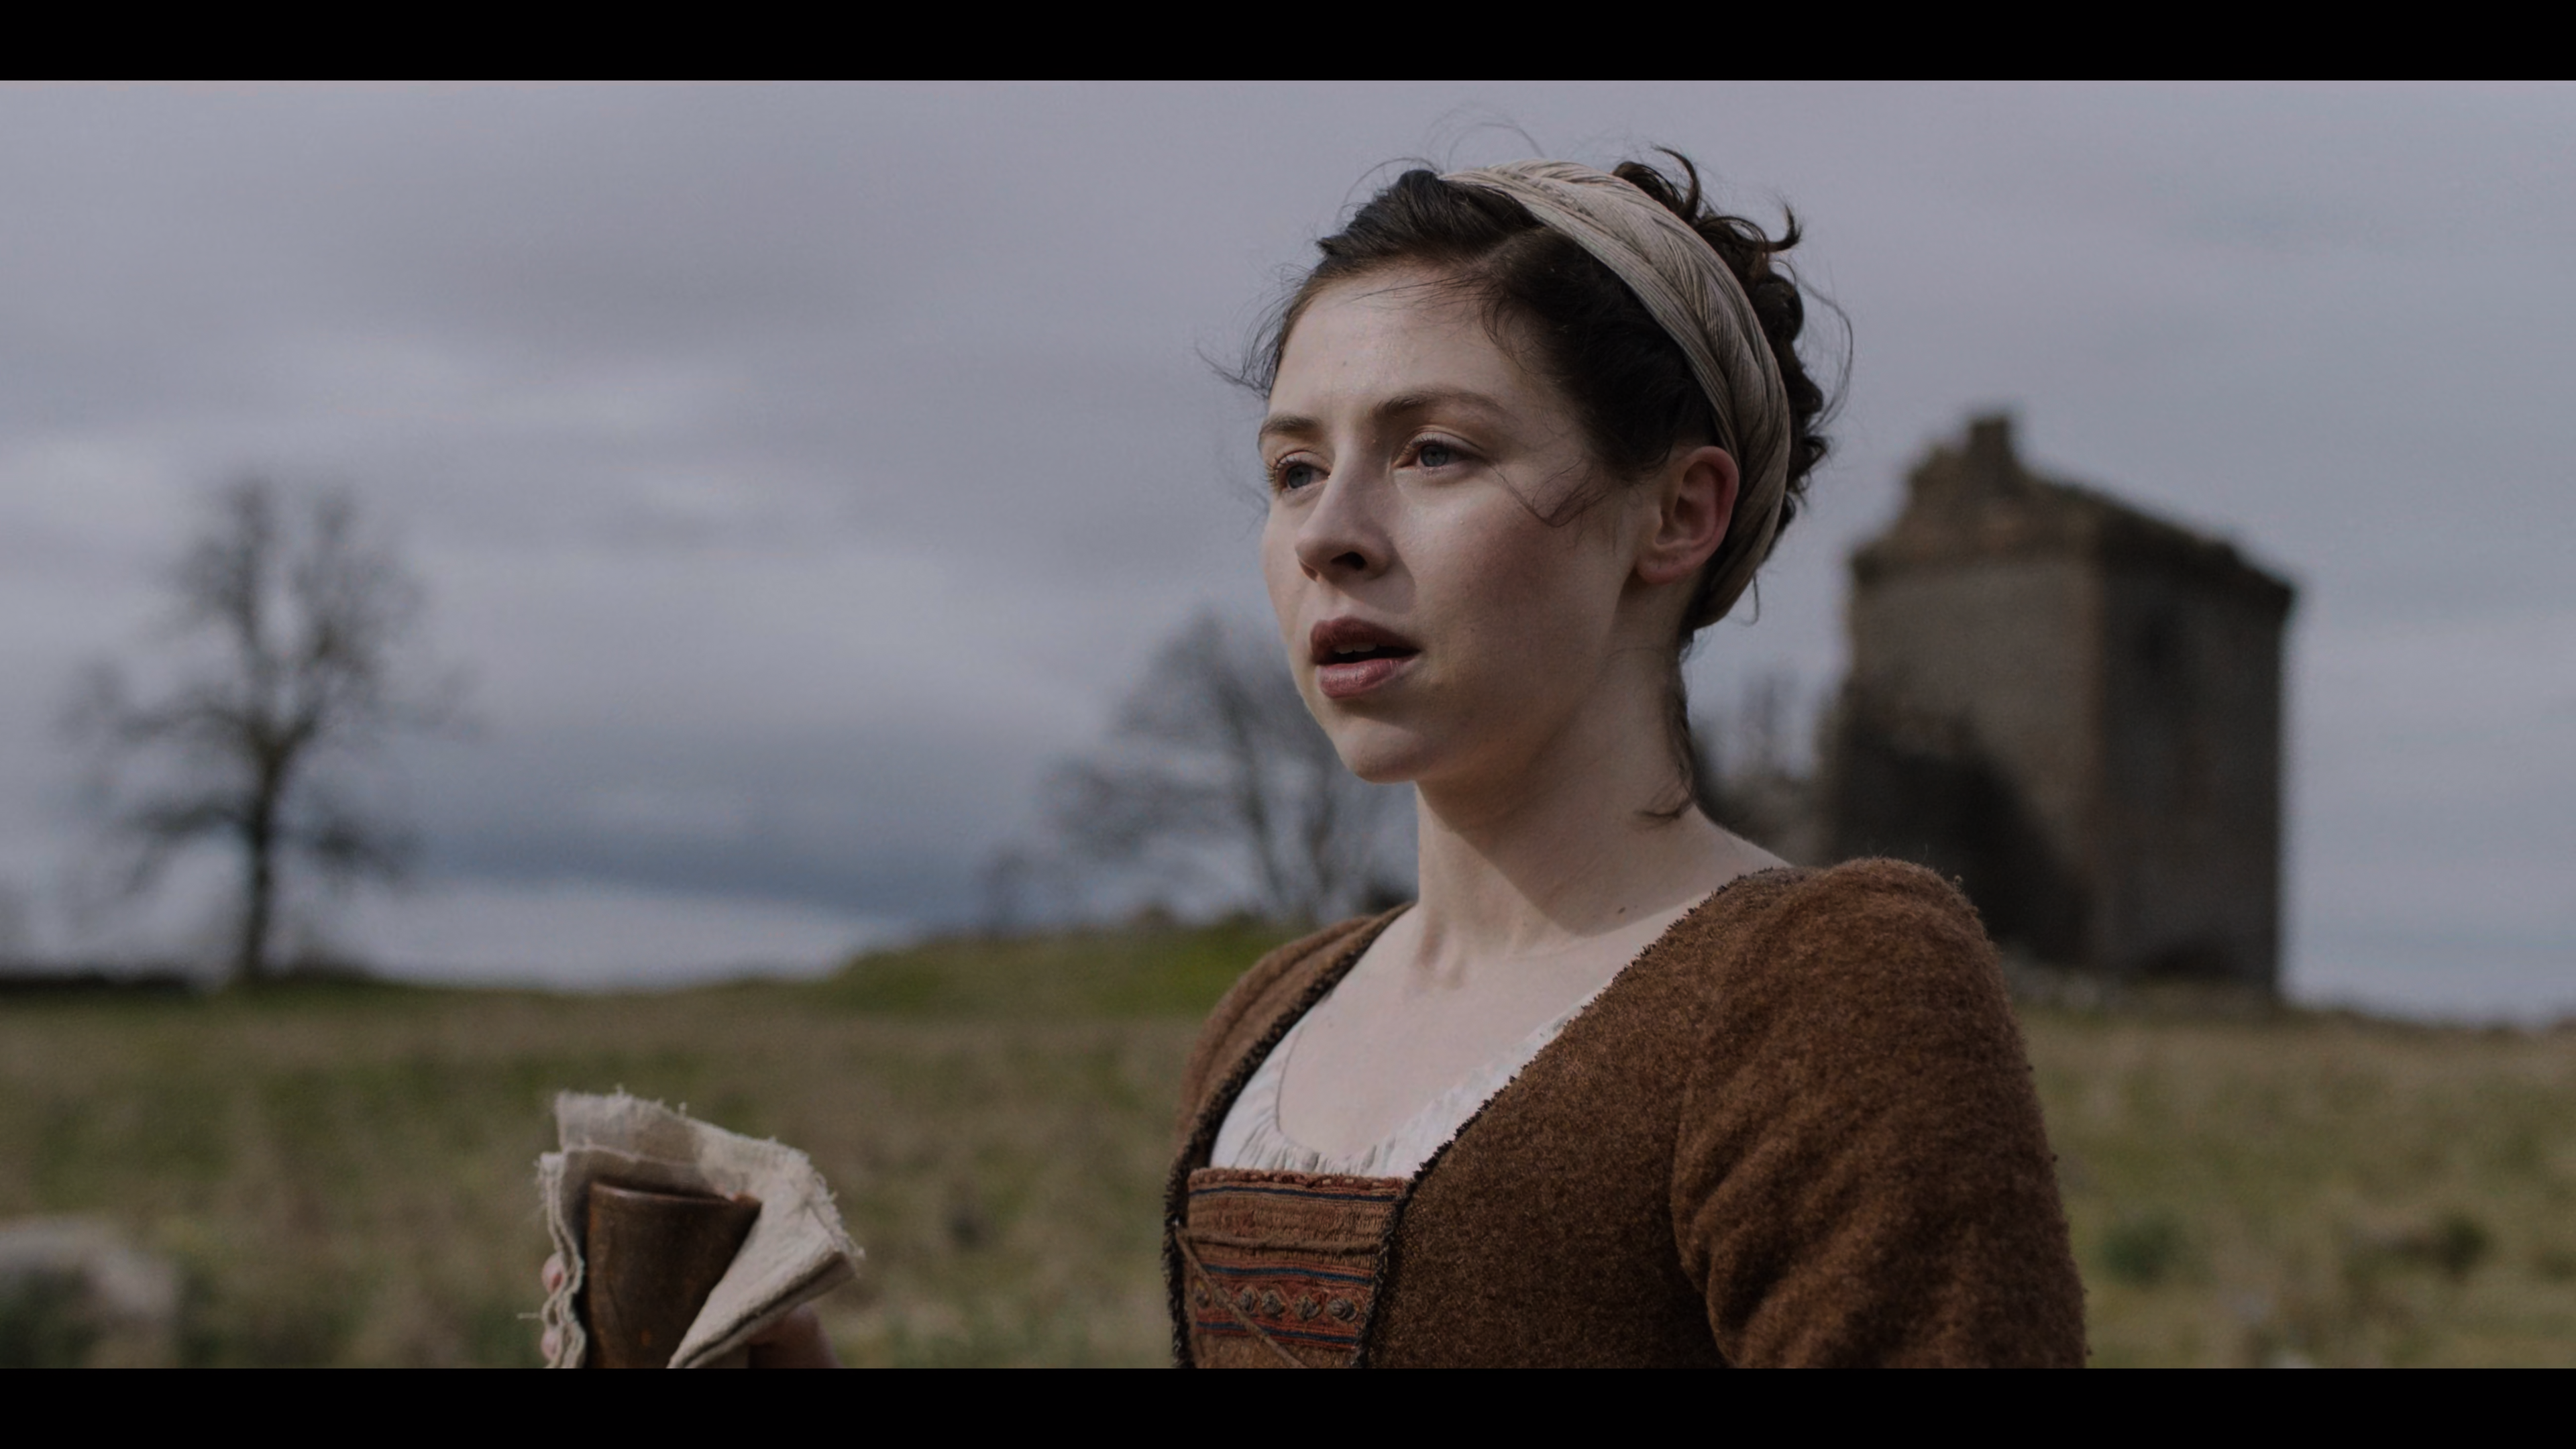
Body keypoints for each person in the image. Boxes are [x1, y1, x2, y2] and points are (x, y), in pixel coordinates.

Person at [1165, 154, 2086, 1367]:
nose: (1327, 536)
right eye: (1296, 471)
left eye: (1434, 451)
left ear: (1678, 513)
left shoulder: (1818, 991)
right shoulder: (1269, 1018)